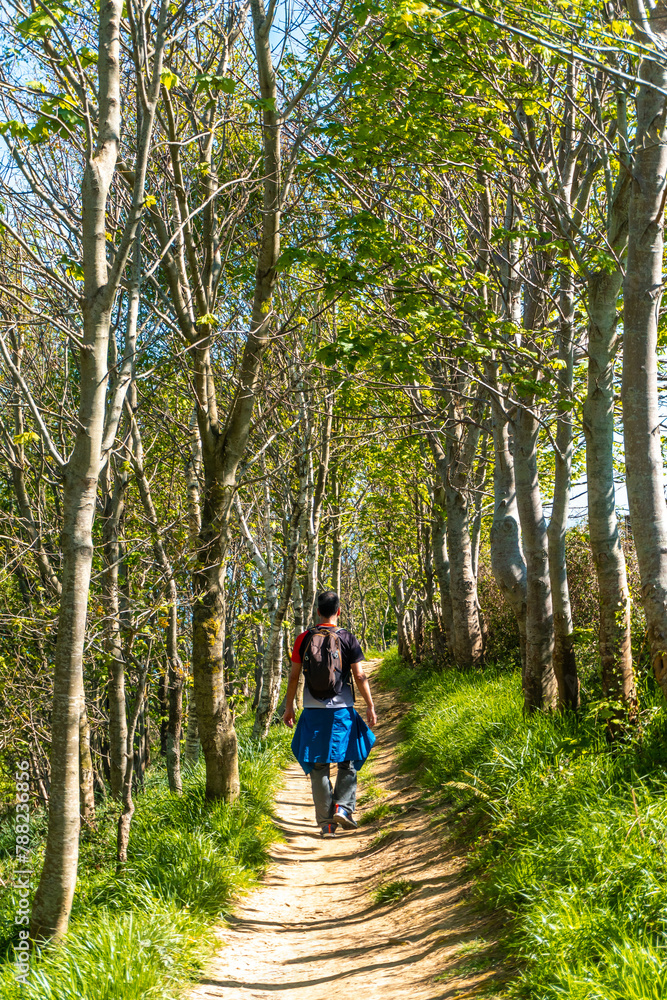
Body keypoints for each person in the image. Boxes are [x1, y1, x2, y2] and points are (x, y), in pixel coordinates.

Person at [283, 590, 378, 838]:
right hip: (342, 711)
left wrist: (289, 706)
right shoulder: (348, 638)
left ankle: (326, 824)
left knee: (318, 766)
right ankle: (343, 808)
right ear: (338, 611)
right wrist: (369, 704)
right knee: (348, 760)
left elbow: (294, 676)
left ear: (317, 611)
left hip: (313, 712)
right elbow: (359, 676)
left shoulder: (303, 638)